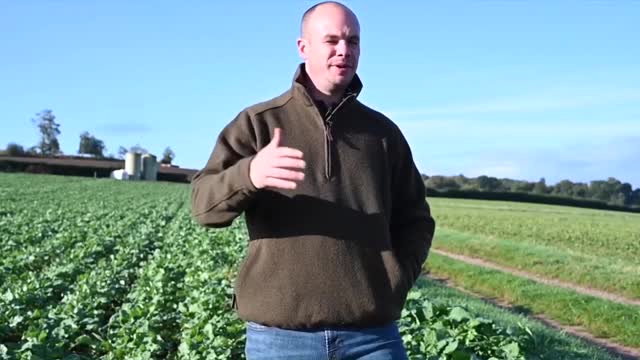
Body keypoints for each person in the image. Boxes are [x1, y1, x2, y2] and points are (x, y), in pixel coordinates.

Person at [191, 1, 436, 358]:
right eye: (332, 40)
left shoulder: (383, 134)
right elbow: (203, 207)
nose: (344, 50)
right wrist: (250, 174)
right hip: (280, 339)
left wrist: (395, 279)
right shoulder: (258, 123)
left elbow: (416, 219)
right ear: (303, 47)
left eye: (353, 41)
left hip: (372, 338)